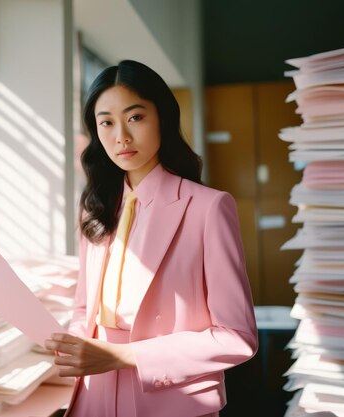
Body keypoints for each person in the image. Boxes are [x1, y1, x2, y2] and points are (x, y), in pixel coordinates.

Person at [44, 60, 258, 417]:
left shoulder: (207, 208)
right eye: (106, 122)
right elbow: (85, 308)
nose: (121, 137)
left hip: (171, 397)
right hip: (93, 392)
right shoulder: (96, 209)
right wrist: (75, 342)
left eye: (135, 117)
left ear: (163, 118)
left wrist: (123, 355)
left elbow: (237, 337)